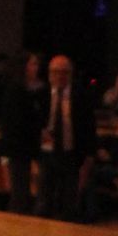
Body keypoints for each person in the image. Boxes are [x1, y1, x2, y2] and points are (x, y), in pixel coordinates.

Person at [0, 50, 45, 215]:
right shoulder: (17, 90)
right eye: (33, 64)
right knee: (20, 193)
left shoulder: (23, 89)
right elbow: (18, 122)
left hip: (20, 147)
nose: (36, 68)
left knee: (21, 191)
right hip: (18, 147)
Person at [39, 54, 87, 220]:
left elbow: (87, 125)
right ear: (49, 74)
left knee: (69, 200)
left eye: (64, 72)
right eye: (56, 72)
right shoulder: (42, 94)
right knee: (44, 198)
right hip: (46, 151)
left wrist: (88, 156)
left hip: (70, 152)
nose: (60, 76)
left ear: (70, 74)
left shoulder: (79, 95)